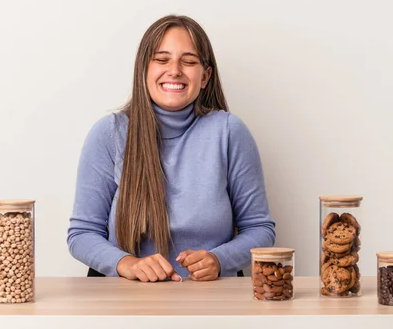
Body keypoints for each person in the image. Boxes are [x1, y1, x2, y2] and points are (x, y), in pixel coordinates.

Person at [67, 15, 276, 282]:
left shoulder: (229, 132)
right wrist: (127, 264)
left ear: (205, 77)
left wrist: (220, 260)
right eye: (162, 59)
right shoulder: (109, 133)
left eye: (188, 61)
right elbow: (81, 234)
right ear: (144, 69)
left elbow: (260, 229)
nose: (175, 70)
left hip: (210, 300)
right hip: (126, 301)